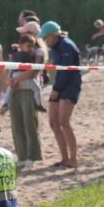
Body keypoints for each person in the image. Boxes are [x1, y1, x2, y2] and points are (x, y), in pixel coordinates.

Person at [40, 21, 81, 168]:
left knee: (64, 122)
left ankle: (73, 159)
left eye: (45, 38)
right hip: (59, 85)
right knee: (53, 123)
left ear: (53, 35)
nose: (45, 41)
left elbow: (67, 71)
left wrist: (56, 89)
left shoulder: (67, 46)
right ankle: (64, 159)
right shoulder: (56, 47)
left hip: (70, 86)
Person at [7, 34, 45, 169]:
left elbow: (34, 71)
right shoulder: (17, 52)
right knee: (16, 124)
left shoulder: (39, 52)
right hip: (16, 88)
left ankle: (32, 156)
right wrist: (11, 81)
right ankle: (21, 156)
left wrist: (17, 80)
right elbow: (12, 68)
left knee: (29, 123)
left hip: (28, 89)